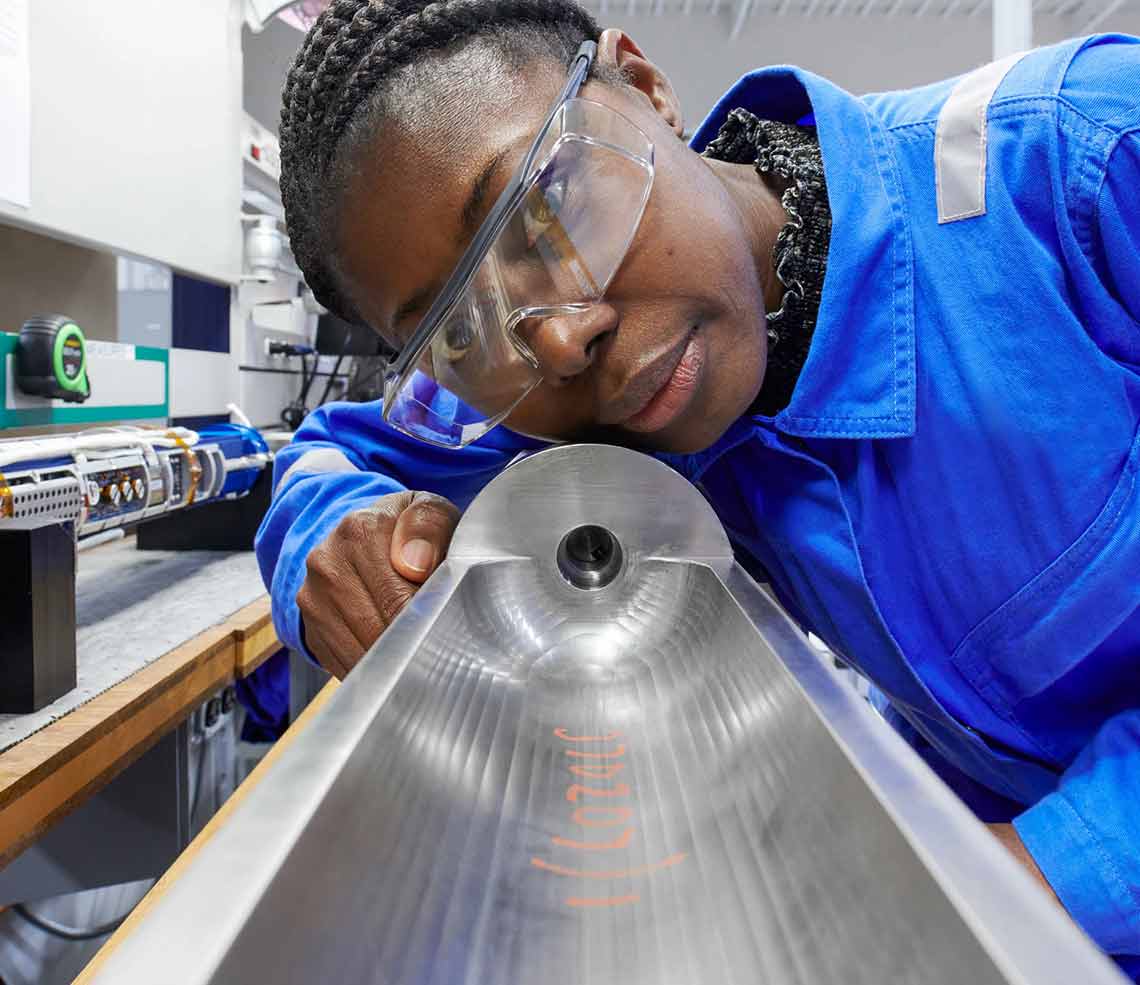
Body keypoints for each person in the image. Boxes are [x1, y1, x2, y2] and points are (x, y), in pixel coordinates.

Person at [255, 0, 1140, 971]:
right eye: (463, 332)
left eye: (547, 214)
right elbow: (331, 453)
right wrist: (328, 538)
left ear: (642, 87)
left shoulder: (1084, 161)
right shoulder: (621, 409)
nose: (554, 339)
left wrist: (996, 890)